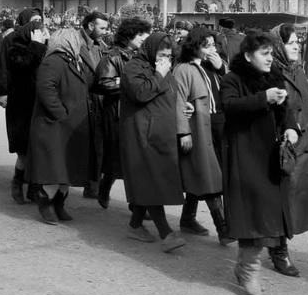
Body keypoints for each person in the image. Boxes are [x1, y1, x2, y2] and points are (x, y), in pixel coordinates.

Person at [220, 30, 300, 295]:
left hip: (270, 156)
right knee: (252, 215)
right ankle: (249, 269)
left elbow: (287, 110)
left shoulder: (274, 77)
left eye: (270, 53)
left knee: (268, 213)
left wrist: (291, 128)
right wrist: (262, 99)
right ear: (247, 55)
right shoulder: (233, 79)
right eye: (263, 54)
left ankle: (248, 266)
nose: (269, 59)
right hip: (244, 156)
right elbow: (229, 107)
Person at [119, 32, 186, 253]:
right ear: (151, 51)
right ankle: (166, 233)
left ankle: (135, 225)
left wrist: (185, 108)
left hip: (160, 134)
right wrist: (159, 73)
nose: (165, 58)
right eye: (161, 53)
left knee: (149, 179)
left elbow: (170, 93)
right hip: (142, 134)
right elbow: (140, 93)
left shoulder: (162, 68)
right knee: (151, 180)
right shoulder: (134, 67)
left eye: (168, 54)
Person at [270, 24, 308, 275]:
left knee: (300, 199)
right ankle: (278, 250)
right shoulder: (271, 73)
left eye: (298, 41)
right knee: (282, 199)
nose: (296, 46)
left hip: (307, 143)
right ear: (277, 46)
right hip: (285, 145)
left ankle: (278, 244)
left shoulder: (297, 71)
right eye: (290, 42)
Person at [173, 28, 232, 245]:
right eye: (206, 45)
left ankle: (187, 218)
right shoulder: (184, 69)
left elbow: (232, 87)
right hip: (198, 128)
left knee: (205, 174)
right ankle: (223, 228)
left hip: (219, 126)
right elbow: (178, 101)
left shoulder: (212, 67)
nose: (211, 49)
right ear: (194, 46)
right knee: (208, 177)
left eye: (213, 44)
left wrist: (221, 68)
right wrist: (183, 131)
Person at [28, 28, 91, 224]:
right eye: (77, 41)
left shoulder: (72, 61)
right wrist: (61, 114)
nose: (80, 44)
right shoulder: (53, 61)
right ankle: (45, 202)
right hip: (54, 126)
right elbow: (46, 90)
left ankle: (58, 204)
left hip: (67, 126)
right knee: (54, 170)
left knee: (66, 170)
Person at [93, 17, 152, 209]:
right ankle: (106, 186)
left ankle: (137, 204)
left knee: (134, 160)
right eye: (141, 34)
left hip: (138, 112)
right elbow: (103, 83)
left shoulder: (141, 56)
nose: (144, 38)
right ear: (129, 35)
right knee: (117, 158)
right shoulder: (112, 56)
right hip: (117, 113)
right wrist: (127, 85)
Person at [0, 10, 46, 203]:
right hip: (20, 99)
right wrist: (2, 93)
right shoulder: (12, 41)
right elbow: (7, 67)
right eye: (34, 21)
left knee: (38, 147)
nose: (38, 25)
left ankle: (34, 186)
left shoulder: (43, 38)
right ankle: (17, 182)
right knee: (24, 148)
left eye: (40, 21)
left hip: (39, 99)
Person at [79, 11, 109, 199]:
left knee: (99, 145)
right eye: (103, 28)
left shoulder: (102, 46)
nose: (106, 31)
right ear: (91, 26)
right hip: (81, 100)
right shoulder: (74, 43)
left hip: (99, 102)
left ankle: (93, 185)